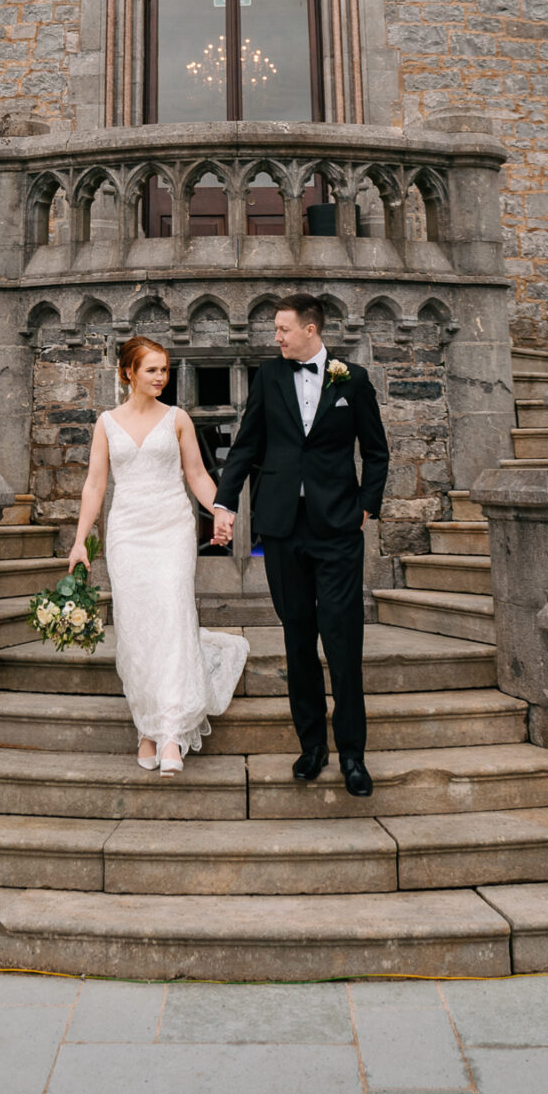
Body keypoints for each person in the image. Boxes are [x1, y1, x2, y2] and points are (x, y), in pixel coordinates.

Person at [211, 292, 389, 797]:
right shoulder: (269, 377)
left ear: (311, 329)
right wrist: (225, 505)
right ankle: (312, 747)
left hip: (337, 530)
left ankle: (353, 755)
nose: (276, 336)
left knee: (343, 641)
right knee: (298, 639)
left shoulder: (351, 380)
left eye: (283, 328)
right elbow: (245, 446)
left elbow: (376, 452)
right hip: (283, 530)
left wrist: (367, 507)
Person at [67, 335, 250, 775]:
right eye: (152, 370)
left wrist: (220, 510)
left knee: (170, 615)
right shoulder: (106, 423)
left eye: (165, 370)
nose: (161, 378)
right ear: (128, 372)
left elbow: (197, 474)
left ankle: (170, 733)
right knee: (136, 627)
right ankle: (146, 726)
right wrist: (80, 540)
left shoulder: (178, 419)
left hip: (171, 529)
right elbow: (95, 485)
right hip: (128, 533)